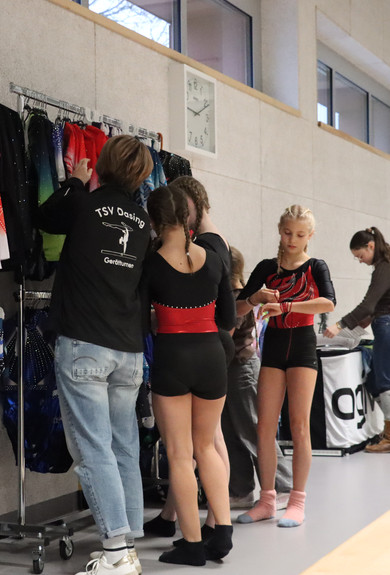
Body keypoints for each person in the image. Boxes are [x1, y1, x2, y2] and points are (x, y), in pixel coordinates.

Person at [36, 135, 154, 575]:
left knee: (93, 448)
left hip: (85, 343)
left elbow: (44, 217)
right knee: (123, 445)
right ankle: (128, 546)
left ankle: (115, 552)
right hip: (128, 350)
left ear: (102, 164)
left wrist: (74, 181)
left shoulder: (83, 203)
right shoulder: (143, 221)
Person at [141, 185, 236, 566]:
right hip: (212, 356)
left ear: (154, 220)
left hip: (172, 357)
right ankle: (223, 531)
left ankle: (193, 544)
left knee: (180, 454)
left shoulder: (151, 264)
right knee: (206, 446)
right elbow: (227, 317)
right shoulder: (213, 258)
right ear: (188, 215)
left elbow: (140, 324)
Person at [235, 205, 336, 528]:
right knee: (264, 426)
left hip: (302, 346)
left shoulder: (316, 266)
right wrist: (254, 299)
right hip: (274, 348)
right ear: (280, 231)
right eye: (288, 233)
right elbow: (237, 309)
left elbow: (328, 302)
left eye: (300, 234)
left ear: (310, 236)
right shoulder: (267, 268)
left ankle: (297, 501)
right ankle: (267, 499)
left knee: (299, 425)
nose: (293, 239)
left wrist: (287, 305)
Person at [324, 227, 390, 453]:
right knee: (374, 382)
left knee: (384, 382)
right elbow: (382, 304)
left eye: (360, 255)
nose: (360, 260)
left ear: (371, 246)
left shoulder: (384, 267)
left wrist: (340, 325)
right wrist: (363, 322)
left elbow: (367, 304)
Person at [223, 246, 293, 507]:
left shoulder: (238, 297)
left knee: (254, 430)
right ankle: (240, 490)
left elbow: (228, 331)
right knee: (230, 433)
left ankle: (282, 486)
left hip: (242, 369)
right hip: (229, 370)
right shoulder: (234, 296)